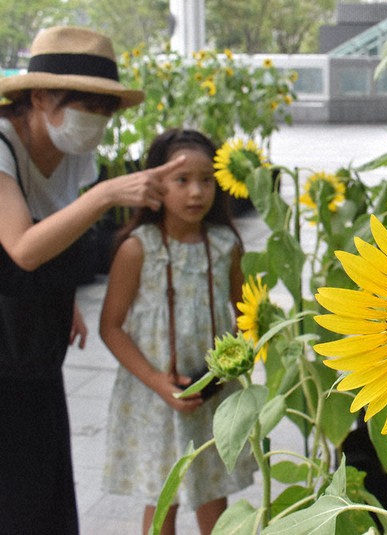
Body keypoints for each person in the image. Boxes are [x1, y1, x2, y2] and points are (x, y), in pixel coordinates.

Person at [0, 26, 184, 534]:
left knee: (46, 475)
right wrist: (104, 196)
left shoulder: (70, 153)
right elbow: (22, 247)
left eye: (106, 110)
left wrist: (65, 302)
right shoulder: (2, 147)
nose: (97, 122)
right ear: (39, 96)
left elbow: (54, 237)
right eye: (87, 106)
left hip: (34, 339)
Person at [101, 128, 254, 535]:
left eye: (207, 180)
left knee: (213, 491)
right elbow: (111, 328)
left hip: (212, 396)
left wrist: (234, 366)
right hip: (154, 397)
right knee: (162, 494)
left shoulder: (225, 245)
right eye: (181, 180)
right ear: (155, 184)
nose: (196, 193)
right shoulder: (138, 248)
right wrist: (155, 380)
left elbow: (247, 316)